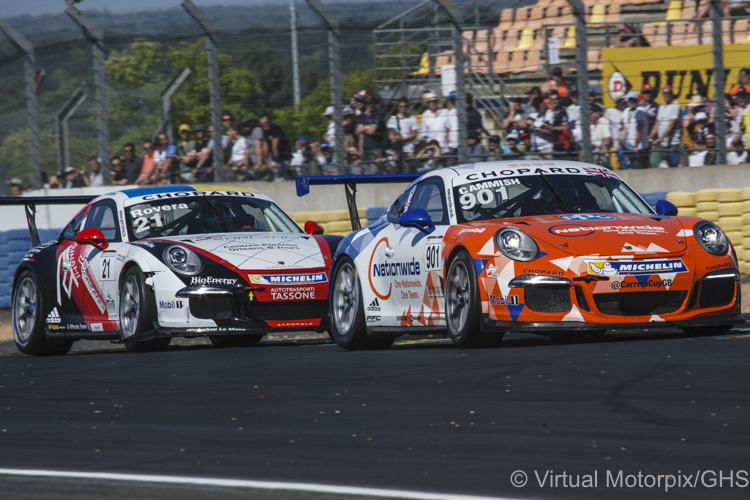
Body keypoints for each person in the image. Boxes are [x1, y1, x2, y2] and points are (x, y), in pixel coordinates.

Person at [650, 85, 682, 167]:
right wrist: (649, 137)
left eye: (668, 93)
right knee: (664, 165)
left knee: (674, 165)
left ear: (671, 93)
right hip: (663, 144)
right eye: (664, 93)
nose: (666, 95)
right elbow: (657, 123)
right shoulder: (661, 107)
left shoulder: (675, 105)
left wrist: (660, 138)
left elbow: (671, 124)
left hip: (673, 143)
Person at [618, 91, 649, 169]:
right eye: (630, 100)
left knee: (638, 168)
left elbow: (640, 128)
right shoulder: (626, 111)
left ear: (637, 100)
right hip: (629, 147)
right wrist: (620, 142)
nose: (632, 102)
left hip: (639, 148)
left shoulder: (640, 111)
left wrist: (636, 144)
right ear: (627, 101)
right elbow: (624, 128)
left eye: (634, 100)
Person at [355, 97, 384, 174]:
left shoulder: (377, 116)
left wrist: (363, 128)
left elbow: (371, 131)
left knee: (374, 172)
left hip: (375, 149)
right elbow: (357, 131)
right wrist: (367, 127)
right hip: (365, 150)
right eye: (367, 104)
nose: (369, 105)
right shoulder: (362, 117)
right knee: (365, 171)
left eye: (371, 103)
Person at [259, 114, 292, 181]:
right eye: (262, 124)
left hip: (284, 157)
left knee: (278, 177)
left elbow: (275, 146)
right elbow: (265, 148)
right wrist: (264, 163)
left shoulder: (275, 129)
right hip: (275, 157)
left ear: (270, 121)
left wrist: (277, 162)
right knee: (277, 175)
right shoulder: (264, 131)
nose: (265, 125)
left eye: (266, 123)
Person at [419, 91, 449, 157]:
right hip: (433, 150)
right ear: (427, 103)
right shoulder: (425, 115)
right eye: (430, 102)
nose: (432, 103)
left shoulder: (445, 112)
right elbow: (424, 134)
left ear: (437, 102)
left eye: (434, 101)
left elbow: (449, 129)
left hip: (445, 148)